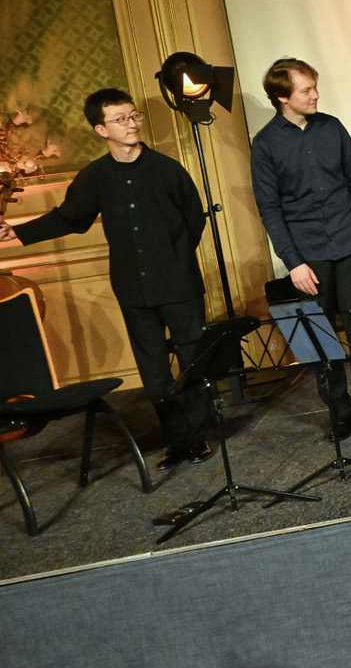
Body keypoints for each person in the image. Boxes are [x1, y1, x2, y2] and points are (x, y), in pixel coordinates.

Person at [0, 89, 211, 469]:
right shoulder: (95, 176)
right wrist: (19, 232)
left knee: (192, 362)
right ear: (101, 129)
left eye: (134, 116)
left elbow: (194, 219)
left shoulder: (167, 169)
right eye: (120, 119)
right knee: (154, 373)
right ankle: (177, 440)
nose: (131, 124)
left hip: (179, 285)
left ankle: (198, 438)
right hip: (132, 288)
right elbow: (70, 217)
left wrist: (175, 259)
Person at [251, 58, 351, 438]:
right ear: (282, 96)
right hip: (308, 255)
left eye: (314, 87)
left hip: (350, 243)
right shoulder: (265, 144)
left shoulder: (332, 127)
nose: (316, 95)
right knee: (318, 338)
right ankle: (339, 413)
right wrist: (293, 262)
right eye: (306, 90)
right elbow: (270, 209)